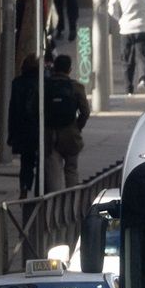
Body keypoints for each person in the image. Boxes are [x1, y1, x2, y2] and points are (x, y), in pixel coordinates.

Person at [44, 54, 91, 189]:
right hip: (71, 134)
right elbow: (85, 112)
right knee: (71, 169)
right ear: (69, 70)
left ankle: (55, 204)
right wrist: (77, 126)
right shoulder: (76, 87)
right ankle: (71, 202)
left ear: (54, 68)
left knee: (53, 174)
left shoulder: (45, 86)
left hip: (50, 134)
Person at [7, 53, 43, 196]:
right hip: (39, 128)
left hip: (22, 128)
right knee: (41, 161)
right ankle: (39, 191)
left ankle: (24, 186)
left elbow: (13, 109)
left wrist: (12, 133)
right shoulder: (42, 82)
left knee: (26, 162)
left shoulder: (17, 83)